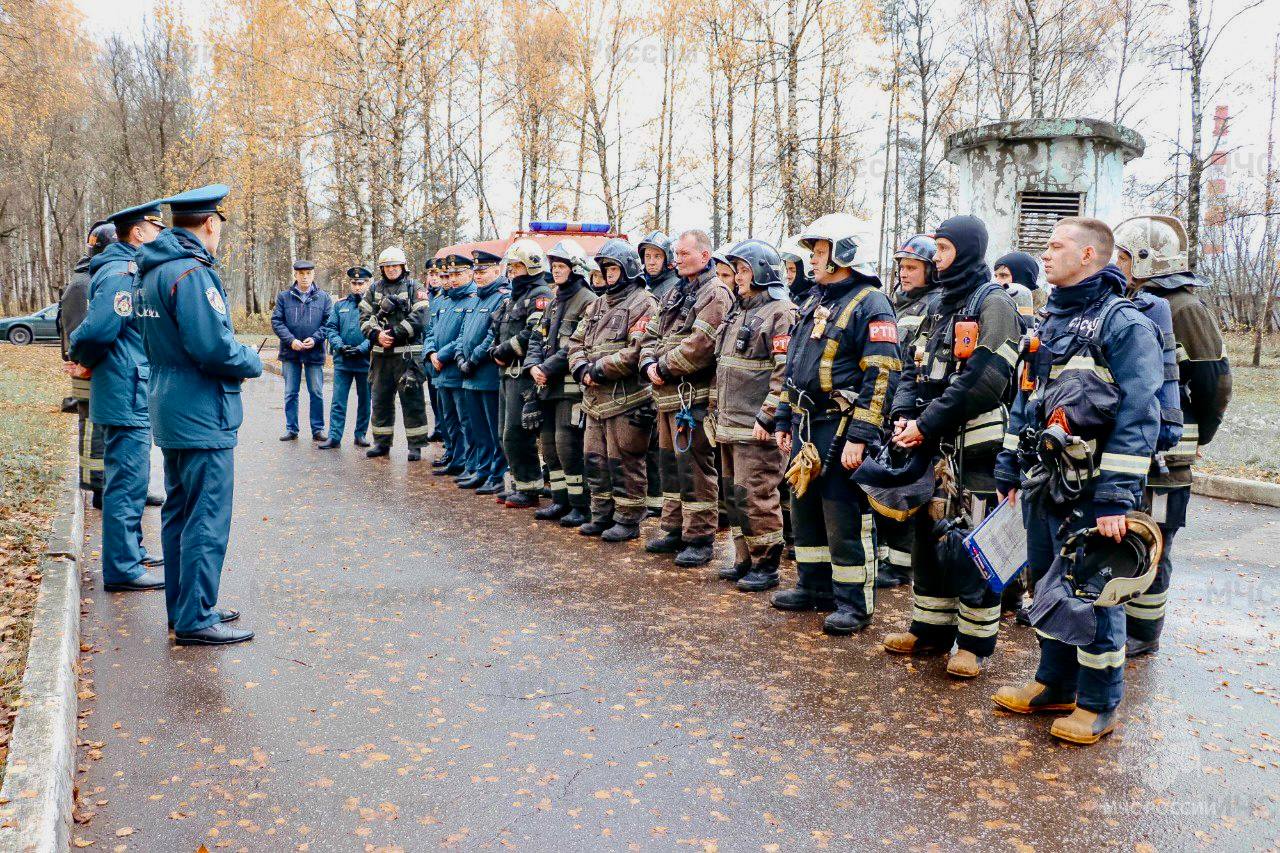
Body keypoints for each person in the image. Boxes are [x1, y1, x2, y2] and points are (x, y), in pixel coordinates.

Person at [991, 217, 1163, 743]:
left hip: (1094, 491)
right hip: (1045, 482)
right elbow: (1024, 400)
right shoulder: (1048, 323)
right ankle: (1054, 684)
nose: (1045, 255)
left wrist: (1116, 496)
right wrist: (1009, 466)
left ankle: (1097, 702)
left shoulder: (1124, 324)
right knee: (1046, 583)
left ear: (1089, 255)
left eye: (1056, 246)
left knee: (1092, 590)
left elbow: (1140, 415)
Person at [880, 216, 1021, 678]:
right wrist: (904, 415)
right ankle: (930, 629)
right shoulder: (939, 302)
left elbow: (985, 380)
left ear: (965, 250)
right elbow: (909, 367)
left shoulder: (993, 303)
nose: (935, 257)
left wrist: (926, 421)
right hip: (929, 443)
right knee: (928, 537)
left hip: (974, 447)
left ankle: (975, 643)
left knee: (973, 544)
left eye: (942, 248)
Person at [135, 184, 262, 645]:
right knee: (206, 516)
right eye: (220, 225)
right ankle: (195, 618)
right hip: (202, 410)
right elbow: (213, 347)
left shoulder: (153, 269)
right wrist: (251, 359)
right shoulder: (191, 274)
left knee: (180, 511)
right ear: (210, 222)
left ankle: (186, 607)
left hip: (171, 404)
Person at [772, 213, 900, 635]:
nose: (813, 259)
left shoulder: (871, 303)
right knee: (805, 506)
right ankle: (813, 587)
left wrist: (861, 436)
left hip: (841, 426)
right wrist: (784, 417)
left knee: (844, 515)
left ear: (845, 252)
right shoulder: (815, 299)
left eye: (821, 251)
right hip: (807, 423)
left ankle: (853, 603)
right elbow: (795, 364)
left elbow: (881, 376)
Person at [1113, 214, 1232, 657]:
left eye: (1124, 257)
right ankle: (1121, 614)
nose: (1117, 264)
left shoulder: (1184, 308)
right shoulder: (1133, 302)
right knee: (1127, 530)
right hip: (1136, 447)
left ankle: (1144, 632)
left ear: (1145, 260)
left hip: (1168, 452)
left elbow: (1213, 382)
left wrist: (1199, 435)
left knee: (1155, 534)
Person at [68, 200, 169, 593]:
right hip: (126, 387)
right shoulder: (121, 271)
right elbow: (97, 331)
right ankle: (123, 567)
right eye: (154, 228)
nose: (159, 235)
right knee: (127, 481)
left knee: (132, 477)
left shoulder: (130, 267)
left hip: (130, 385)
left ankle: (132, 551)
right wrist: (81, 355)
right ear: (138, 233)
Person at [639, 229, 733, 567]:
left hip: (693, 398)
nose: (676, 258)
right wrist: (648, 360)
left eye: (683, 253)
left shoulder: (716, 293)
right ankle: (674, 529)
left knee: (694, 467)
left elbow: (701, 346)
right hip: (667, 396)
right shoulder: (675, 291)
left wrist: (662, 366)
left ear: (704, 256)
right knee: (669, 465)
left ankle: (700, 538)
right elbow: (651, 332)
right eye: (675, 253)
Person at [708, 239, 794, 591]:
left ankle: (766, 564)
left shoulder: (781, 312)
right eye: (737, 271)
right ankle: (744, 558)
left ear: (761, 272)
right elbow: (723, 367)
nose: (738, 278)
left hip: (755, 427)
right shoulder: (738, 311)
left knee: (756, 495)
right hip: (729, 425)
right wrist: (714, 413)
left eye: (743, 270)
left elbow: (784, 372)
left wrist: (768, 416)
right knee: (734, 496)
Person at [568, 239, 659, 541]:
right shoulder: (596, 304)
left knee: (624, 461)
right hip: (594, 400)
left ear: (628, 269)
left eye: (612, 269)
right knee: (594, 459)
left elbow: (636, 351)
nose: (607, 275)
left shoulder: (644, 302)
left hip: (626, 400)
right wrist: (581, 368)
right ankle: (601, 513)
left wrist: (597, 370)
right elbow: (575, 343)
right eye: (604, 269)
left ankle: (628, 518)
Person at [875, 234, 941, 589]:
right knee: (886, 482)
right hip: (887, 405)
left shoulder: (935, 305)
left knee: (907, 486)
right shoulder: (896, 305)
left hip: (911, 410)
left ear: (931, 271)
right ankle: (888, 557)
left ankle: (902, 565)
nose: (904, 273)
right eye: (901, 266)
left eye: (912, 267)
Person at [525, 239, 598, 525]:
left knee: (568, 446)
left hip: (570, 389)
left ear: (575, 268)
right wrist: (533, 366)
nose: (555, 272)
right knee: (550, 448)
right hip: (547, 387)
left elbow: (574, 347)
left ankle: (581, 505)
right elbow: (536, 337)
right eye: (553, 267)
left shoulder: (587, 300)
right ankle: (559, 500)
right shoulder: (554, 301)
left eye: (561, 266)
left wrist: (546, 367)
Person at [489, 239, 553, 507]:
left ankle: (529, 489)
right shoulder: (512, 297)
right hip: (507, 375)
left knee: (517, 432)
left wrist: (503, 351)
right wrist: (495, 350)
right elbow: (497, 330)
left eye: (516, 266)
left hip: (523, 376)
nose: (511, 272)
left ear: (531, 266)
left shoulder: (540, 296)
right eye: (511, 266)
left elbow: (532, 335)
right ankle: (520, 482)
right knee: (506, 432)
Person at [60, 221, 116, 507]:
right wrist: (89, 361)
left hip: (99, 368)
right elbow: (80, 332)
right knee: (94, 429)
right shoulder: (84, 282)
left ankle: (113, 487)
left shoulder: (93, 277)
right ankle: (99, 489)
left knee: (106, 430)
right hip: (89, 370)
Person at [361, 246, 430, 460]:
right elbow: (363, 318)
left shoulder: (414, 287)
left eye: (395, 265)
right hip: (381, 357)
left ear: (403, 266)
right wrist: (376, 336)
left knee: (412, 400)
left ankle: (415, 446)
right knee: (380, 400)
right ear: (382, 269)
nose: (391, 269)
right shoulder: (373, 289)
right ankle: (381, 443)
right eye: (387, 266)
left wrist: (396, 333)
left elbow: (421, 317)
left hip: (407, 356)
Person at [458, 249, 510, 494]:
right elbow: (462, 333)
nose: (478, 275)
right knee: (477, 429)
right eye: (476, 271)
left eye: (483, 271)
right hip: (469, 375)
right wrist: (460, 356)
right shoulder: (474, 298)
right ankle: (482, 470)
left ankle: (496, 475)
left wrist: (474, 360)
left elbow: (493, 335)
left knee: (493, 429)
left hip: (486, 373)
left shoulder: (502, 297)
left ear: (497, 271)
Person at [425, 253, 478, 480]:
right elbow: (430, 331)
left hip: (456, 369)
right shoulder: (441, 301)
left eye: (457, 274)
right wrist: (430, 352)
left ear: (469, 274)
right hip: (439, 371)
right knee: (449, 419)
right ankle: (455, 458)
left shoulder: (473, 299)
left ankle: (467, 462)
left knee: (465, 419)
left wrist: (443, 355)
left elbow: (465, 336)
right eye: (447, 275)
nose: (451, 280)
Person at [639, 231, 680, 517]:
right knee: (649, 439)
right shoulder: (643, 288)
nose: (651, 262)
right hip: (646, 370)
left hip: (666, 375)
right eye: (647, 256)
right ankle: (654, 498)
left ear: (668, 260)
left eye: (657, 256)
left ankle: (658, 500)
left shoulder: (674, 288)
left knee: (659, 444)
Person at [272, 259, 331, 442]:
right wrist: (291, 341)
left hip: (314, 352)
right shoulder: (284, 297)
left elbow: (329, 323)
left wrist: (315, 338)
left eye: (308, 274)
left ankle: (318, 430)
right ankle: (291, 429)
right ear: (295, 275)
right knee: (290, 392)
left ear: (313, 275)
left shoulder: (324, 297)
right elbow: (277, 321)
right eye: (301, 274)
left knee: (316, 392)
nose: (305, 277)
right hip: (291, 352)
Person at [318, 266, 373, 449]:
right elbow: (331, 328)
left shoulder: (373, 306)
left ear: (368, 283)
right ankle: (334, 437)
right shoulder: (340, 305)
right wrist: (339, 346)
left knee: (365, 401)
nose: (357, 287)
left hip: (365, 361)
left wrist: (363, 348)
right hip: (343, 361)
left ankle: (360, 434)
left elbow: (377, 331)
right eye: (354, 283)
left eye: (361, 283)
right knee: (338, 401)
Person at [992, 251, 1039, 327]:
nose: (997, 282)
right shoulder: (995, 306)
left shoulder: (1045, 315)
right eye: (996, 276)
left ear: (1022, 277)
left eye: (1003, 275)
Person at [778, 234, 816, 306]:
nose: (787, 276)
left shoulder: (815, 303)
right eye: (787, 270)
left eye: (793, 270)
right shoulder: (794, 298)